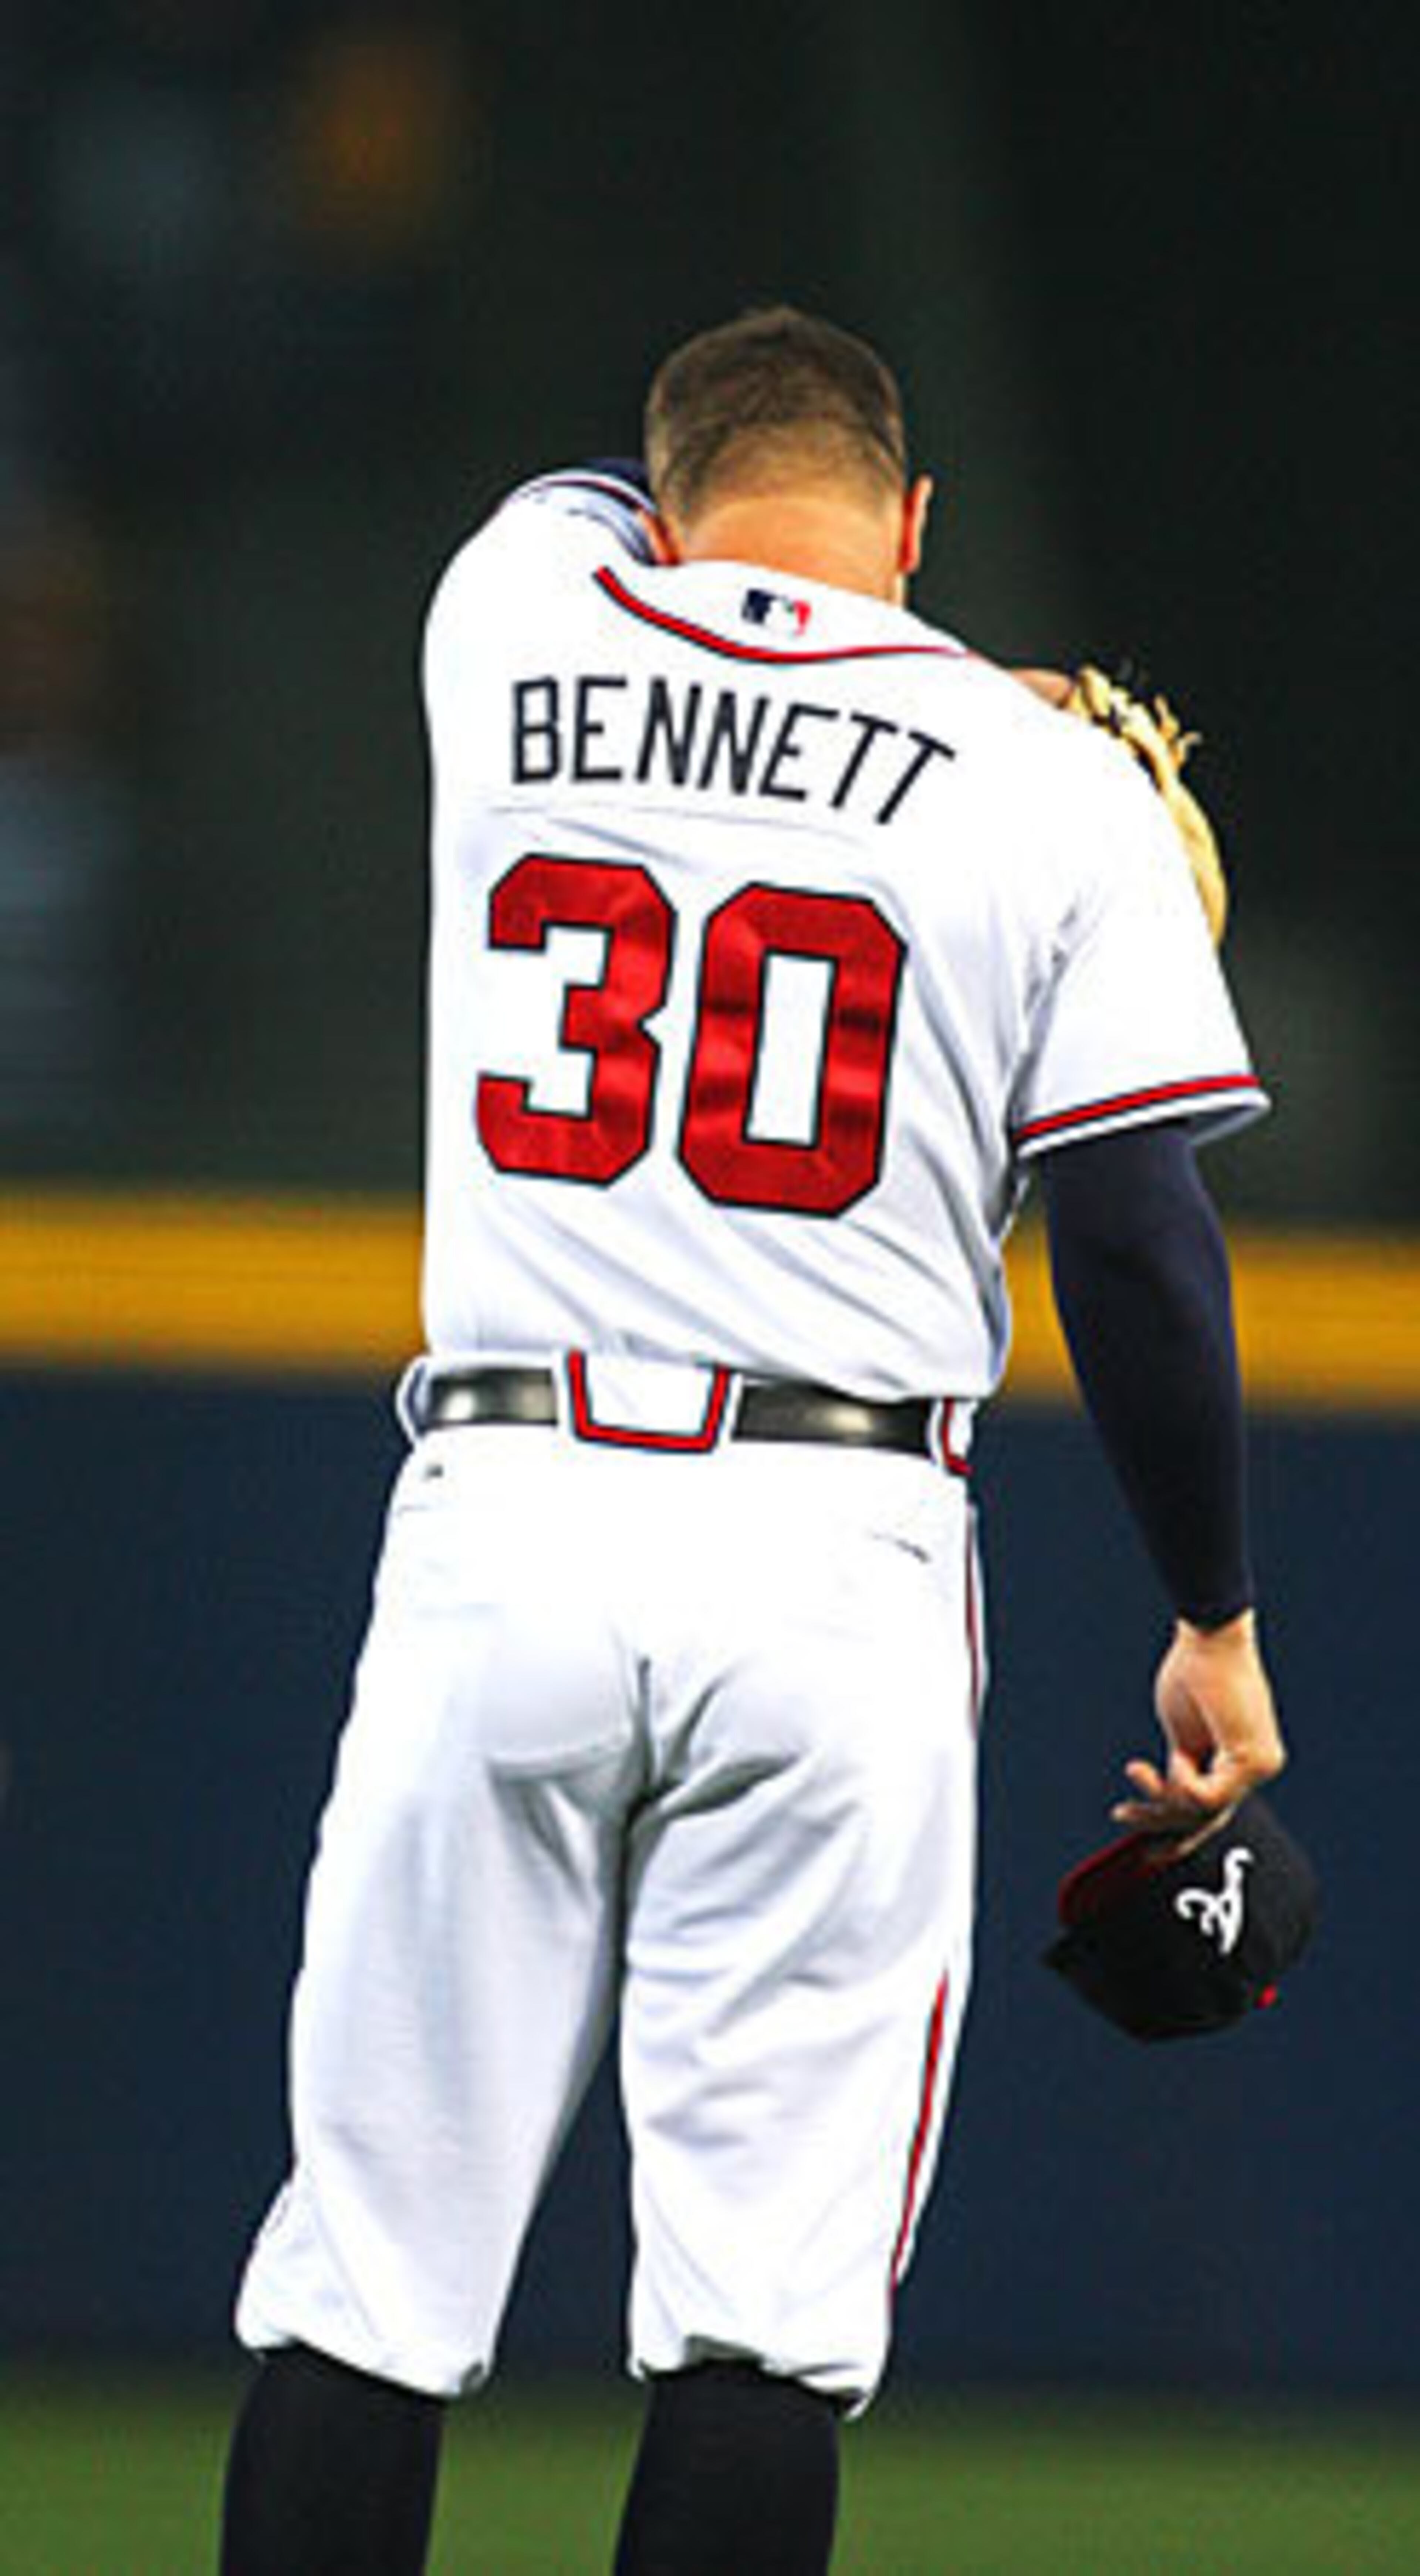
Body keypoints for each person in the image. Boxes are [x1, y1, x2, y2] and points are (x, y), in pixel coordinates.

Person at [219, 305, 1285, 2575]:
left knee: (369, 2284)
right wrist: (1213, 1605)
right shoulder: (1049, 789)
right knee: (757, 2327)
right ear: (919, 527)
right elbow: (1135, 1237)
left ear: (673, 496)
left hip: (503, 1508)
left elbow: (667, 559)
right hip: (835, 1552)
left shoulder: (510, 612)